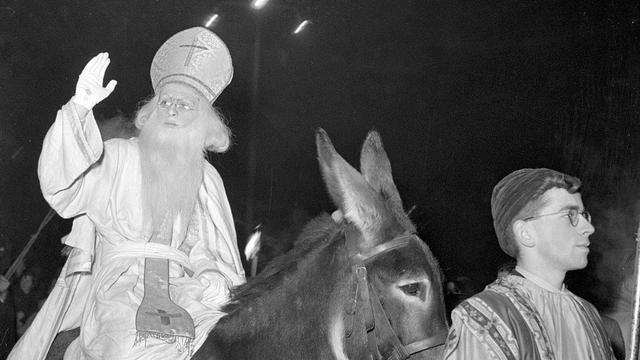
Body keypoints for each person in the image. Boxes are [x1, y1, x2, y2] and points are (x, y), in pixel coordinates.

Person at [9, 27, 246, 359]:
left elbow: (205, 246)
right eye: (167, 102)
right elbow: (65, 187)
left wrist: (210, 273)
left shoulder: (206, 178)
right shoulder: (119, 155)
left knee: (232, 339)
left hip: (185, 289)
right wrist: (78, 110)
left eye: (186, 105)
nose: (173, 111)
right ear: (151, 111)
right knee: (129, 347)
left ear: (205, 123)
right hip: (119, 287)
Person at [443, 168, 615, 359]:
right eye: (570, 215)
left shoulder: (587, 313)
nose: (589, 228)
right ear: (526, 233)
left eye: (584, 215)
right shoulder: (484, 318)